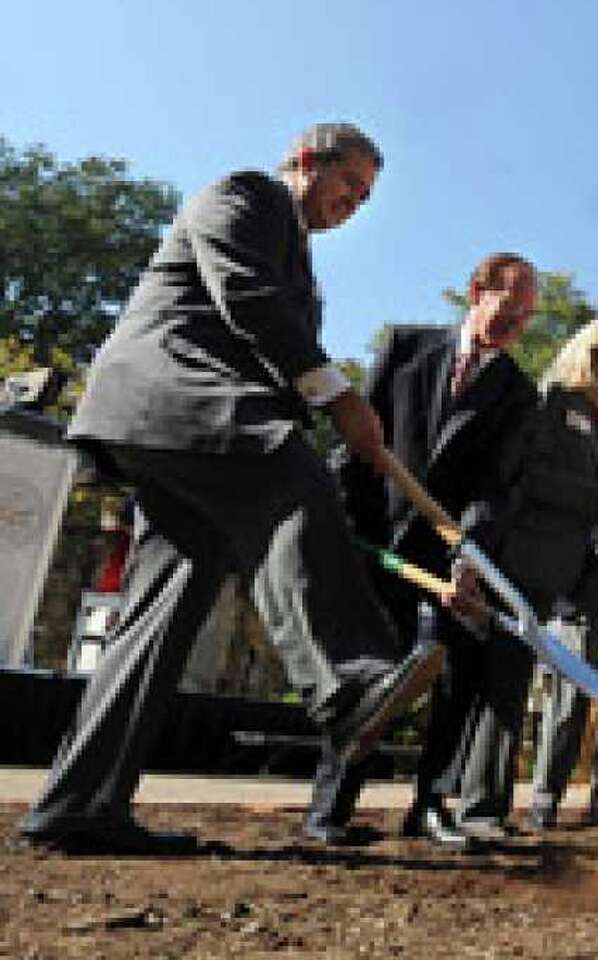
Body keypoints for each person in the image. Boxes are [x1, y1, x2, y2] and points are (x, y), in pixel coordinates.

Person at [19, 123, 445, 854]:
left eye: (367, 199)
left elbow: (283, 345)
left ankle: (78, 805)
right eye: (351, 185)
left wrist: (343, 426)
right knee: (287, 468)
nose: (355, 205)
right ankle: (347, 682)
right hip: (170, 396)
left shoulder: (305, 272)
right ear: (310, 158)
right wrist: (340, 400)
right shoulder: (247, 195)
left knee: (162, 615)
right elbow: (245, 298)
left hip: (195, 432)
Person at [304, 253, 540, 848]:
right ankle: (331, 810)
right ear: (476, 292)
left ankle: (430, 803)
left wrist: (468, 558)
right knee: (370, 671)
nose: (516, 326)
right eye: (510, 309)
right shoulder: (407, 347)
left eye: (527, 318)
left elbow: (496, 487)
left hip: (452, 550)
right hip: (379, 536)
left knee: (461, 668)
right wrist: (341, 518)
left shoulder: (517, 392)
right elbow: (358, 441)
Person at [506, 319, 598, 832]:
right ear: (587, 354)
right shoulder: (554, 400)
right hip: (542, 553)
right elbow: (534, 477)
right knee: (551, 676)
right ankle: (540, 800)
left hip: (593, 556)